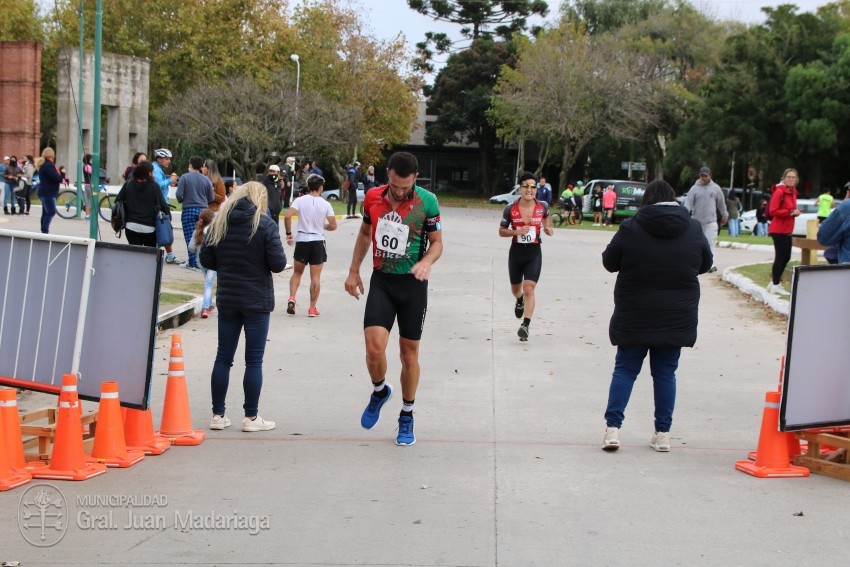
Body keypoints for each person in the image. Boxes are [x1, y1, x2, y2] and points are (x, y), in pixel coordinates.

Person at [601, 179, 712, 452]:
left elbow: (609, 261)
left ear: (647, 199)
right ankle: (662, 433)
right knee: (665, 374)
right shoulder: (693, 228)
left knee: (625, 369)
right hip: (675, 315)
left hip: (634, 312)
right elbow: (706, 263)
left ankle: (613, 429)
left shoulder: (631, 227)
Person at [344, 151, 443, 446]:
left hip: (413, 284)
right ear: (388, 175)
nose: (399, 192)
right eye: (395, 185)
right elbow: (364, 233)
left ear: (415, 178)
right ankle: (379, 391)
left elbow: (437, 243)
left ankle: (407, 415)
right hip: (383, 281)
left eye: (405, 187)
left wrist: (426, 261)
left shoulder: (427, 201)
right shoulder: (373, 196)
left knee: (408, 355)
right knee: (374, 349)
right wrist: (353, 271)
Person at [199, 181, 287, 433]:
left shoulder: (220, 223)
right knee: (254, 361)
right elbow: (278, 264)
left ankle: (218, 415)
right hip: (256, 299)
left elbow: (206, 259)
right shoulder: (264, 224)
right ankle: (250, 417)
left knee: (223, 357)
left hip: (228, 297)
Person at [499, 172, 554, 342]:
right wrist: (516, 231)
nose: (529, 190)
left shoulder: (542, 206)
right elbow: (501, 231)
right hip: (516, 253)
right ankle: (519, 300)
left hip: (534, 253)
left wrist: (547, 228)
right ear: (520, 189)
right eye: (525, 186)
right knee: (516, 289)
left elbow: (547, 218)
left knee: (529, 288)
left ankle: (525, 325)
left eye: (533, 186)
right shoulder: (510, 208)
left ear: (537, 189)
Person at [283, 174, 338, 316]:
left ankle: (292, 298)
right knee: (315, 277)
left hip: (302, 240)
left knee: (297, 272)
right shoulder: (326, 204)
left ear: (308, 187)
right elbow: (333, 225)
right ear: (320, 188)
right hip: (317, 241)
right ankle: (312, 308)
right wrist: (323, 226)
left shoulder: (300, 200)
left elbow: (288, 216)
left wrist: (289, 233)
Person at [117, 161, 172, 247]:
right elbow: (163, 205)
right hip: (149, 227)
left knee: (135, 255)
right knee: (150, 256)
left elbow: (118, 200)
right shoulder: (154, 186)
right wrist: (168, 218)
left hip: (131, 226)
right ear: (149, 173)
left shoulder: (128, 184)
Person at [684, 166, 727, 272]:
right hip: (696, 222)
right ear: (699, 176)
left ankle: (711, 264)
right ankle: (696, 263)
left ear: (710, 176)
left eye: (706, 176)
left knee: (710, 242)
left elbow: (721, 204)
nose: (704, 178)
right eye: (702, 176)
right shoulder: (694, 189)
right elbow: (688, 204)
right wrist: (684, 214)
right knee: (696, 243)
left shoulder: (716, 188)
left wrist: (724, 214)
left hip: (711, 222)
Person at [176, 155, 215, 270]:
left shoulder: (185, 177)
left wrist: (182, 200)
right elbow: (211, 197)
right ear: (201, 166)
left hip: (188, 209)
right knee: (202, 236)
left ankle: (192, 262)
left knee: (190, 236)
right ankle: (201, 261)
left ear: (190, 165)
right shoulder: (206, 179)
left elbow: (178, 194)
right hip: (203, 210)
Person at [766, 168, 801, 295]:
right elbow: (773, 211)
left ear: (796, 179)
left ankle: (774, 282)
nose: (791, 179)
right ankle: (776, 284)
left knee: (787, 257)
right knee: (780, 257)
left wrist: (794, 212)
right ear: (784, 178)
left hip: (787, 230)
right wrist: (791, 213)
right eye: (789, 177)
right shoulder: (780, 192)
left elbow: (790, 209)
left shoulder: (793, 192)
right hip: (778, 229)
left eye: (793, 177)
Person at [152, 148, 183, 264]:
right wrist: (170, 180)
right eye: (166, 159)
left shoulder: (158, 169)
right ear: (159, 159)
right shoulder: (155, 169)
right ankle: (169, 256)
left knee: (162, 230)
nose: (169, 161)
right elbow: (157, 186)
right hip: (160, 205)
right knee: (164, 230)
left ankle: (168, 255)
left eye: (169, 159)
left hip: (162, 204)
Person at [188, 208, 217, 318]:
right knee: (209, 284)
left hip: (201, 261)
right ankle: (205, 307)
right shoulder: (214, 232)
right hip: (213, 262)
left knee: (207, 282)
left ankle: (209, 305)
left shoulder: (197, 232)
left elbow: (191, 247)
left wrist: (197, 249)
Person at [817, 182, 850, 263]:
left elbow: (823, 238)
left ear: (848, 193)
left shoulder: (846, 207)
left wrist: (842, 206)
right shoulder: (830, 198)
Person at [36, 148, 64, 234]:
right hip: (48, 192)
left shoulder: (43, 165)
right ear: (52, 155)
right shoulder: (49, 165)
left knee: (45, 212)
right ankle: (45, 230)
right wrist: (62, 173)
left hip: (43, 191)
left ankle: (43, 230)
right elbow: (56, 178)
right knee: (51, 212)